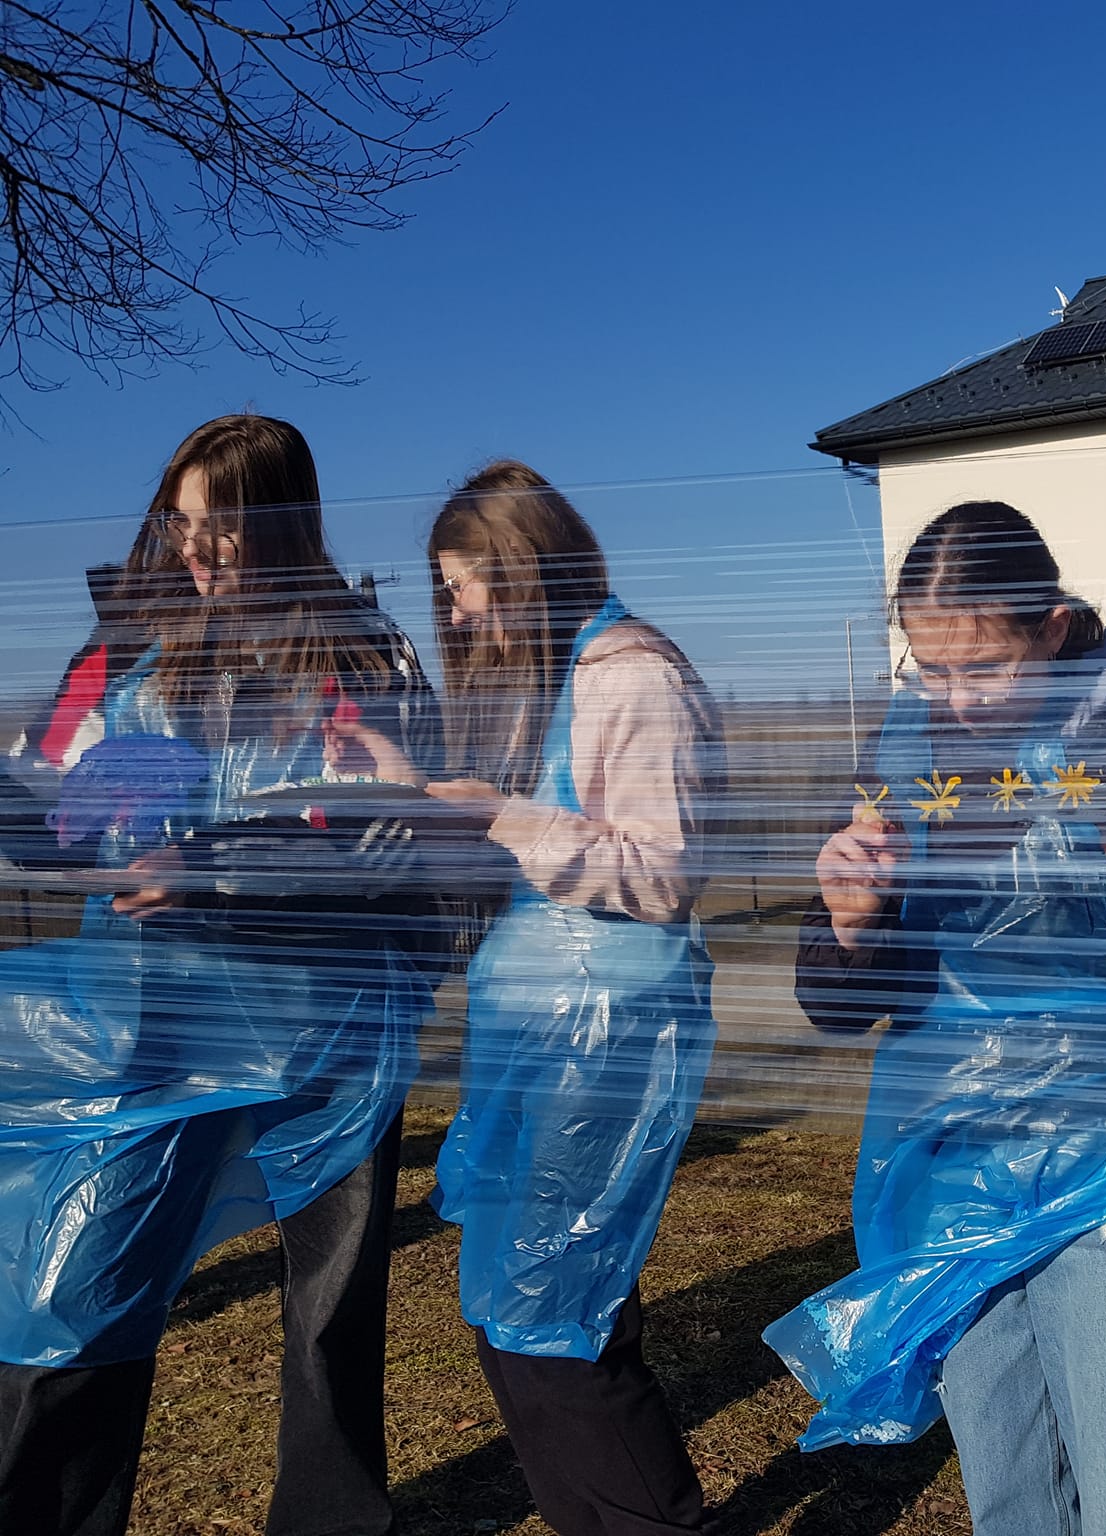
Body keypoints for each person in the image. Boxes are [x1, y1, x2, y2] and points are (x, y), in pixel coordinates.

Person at [767, 501, 1106, 1535]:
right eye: (930, 671)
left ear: (1049, 628)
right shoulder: (899, 751)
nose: (956, 701)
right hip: (946, 1160)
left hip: (1101, 1154)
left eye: (984, 668)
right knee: (1009, 1495)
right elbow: (836, 1006)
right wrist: (849, 925)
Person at [0, 414, 443, 1536]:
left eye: (225, 524)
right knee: (77, 1286)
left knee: (330, 1313)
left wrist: (216, 873)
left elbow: (394, 839)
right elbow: (47, 811)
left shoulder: (360, 654)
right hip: (151, 1022)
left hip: (331, 1031)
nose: (196, 548)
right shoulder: (128, 654)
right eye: (181, 522)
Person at [329, 461, 723, 1536]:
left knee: (556, 1319)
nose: (456, 613)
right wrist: (403, 787)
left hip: (607, 1038)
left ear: (526, 566)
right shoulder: (557, 680)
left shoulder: (631, 677)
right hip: (545, 1034)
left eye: (464, 586)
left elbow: (664, 872)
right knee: (522, 1314)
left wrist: (500, 816)